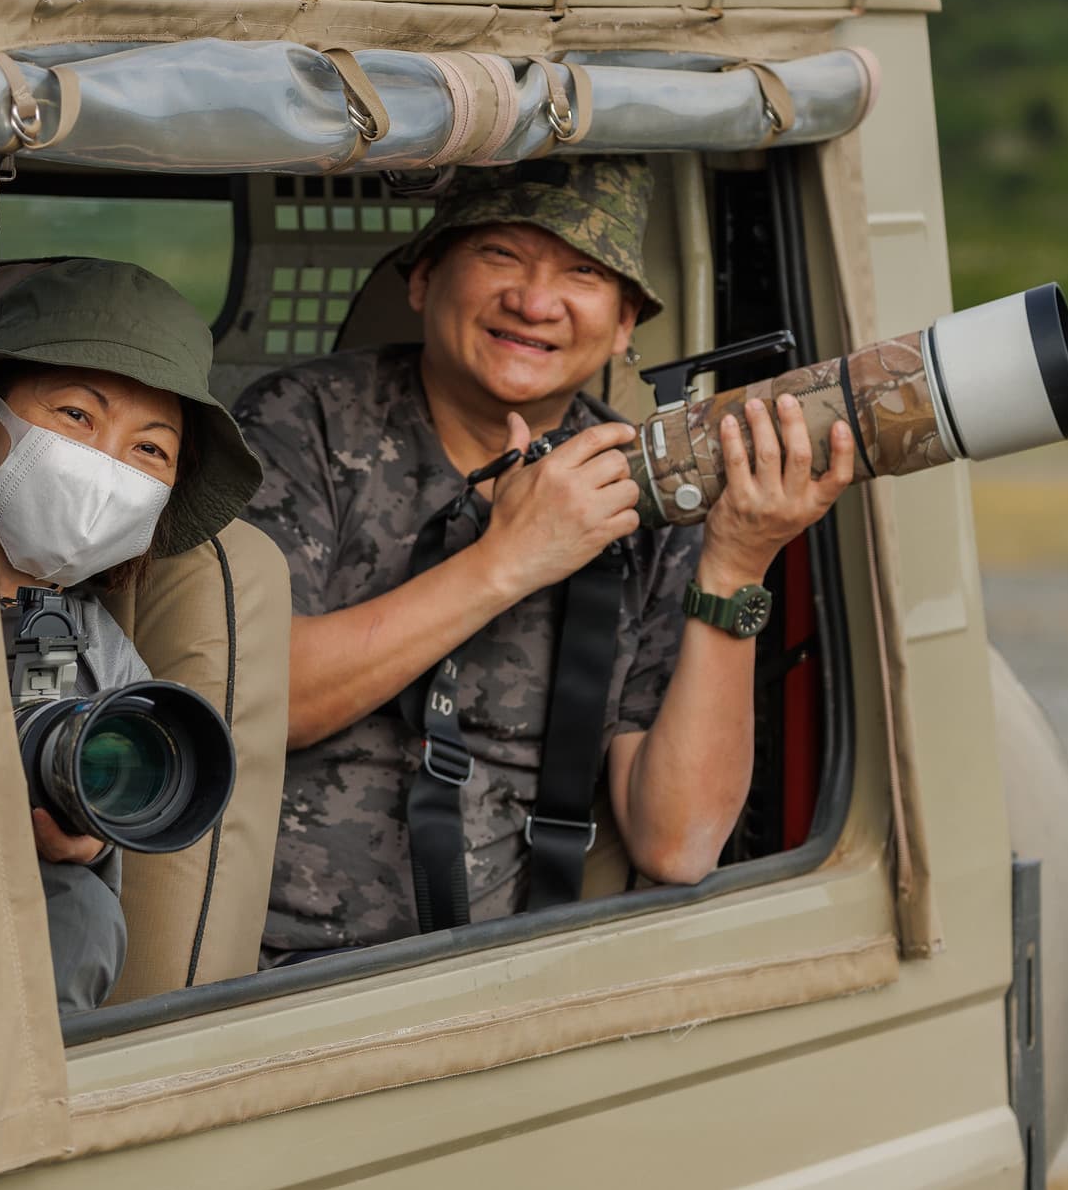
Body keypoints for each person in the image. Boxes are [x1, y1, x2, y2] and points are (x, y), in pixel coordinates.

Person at [233, 158, 855, 961]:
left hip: (512, 976)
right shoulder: (303, 423)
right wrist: (511, 559)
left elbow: (677, 843)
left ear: (626, 322)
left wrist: (735, 566)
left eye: (583, 272)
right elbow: (259, 700)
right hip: (262, 979)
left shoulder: (650, 494)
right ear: (423, 277)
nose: (534, 301)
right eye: (499, 255)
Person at [0, 258, 262, 1013]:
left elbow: (114, 784)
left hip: (8, 949)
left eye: (148, 449)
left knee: (80, 911)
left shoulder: (79, 645)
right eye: (76, 417)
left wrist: (88, 838)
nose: (105, 465)